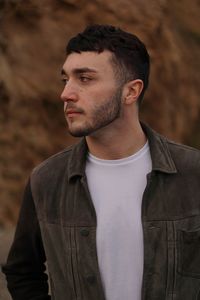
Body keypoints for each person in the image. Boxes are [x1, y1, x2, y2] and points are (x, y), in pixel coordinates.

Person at [2, 24, 200, 300]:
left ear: (130, 91)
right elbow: (22, 271)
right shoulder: (47, 180)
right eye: (65, 80)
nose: (66, 94)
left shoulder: (193, 173)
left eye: (84, 79)